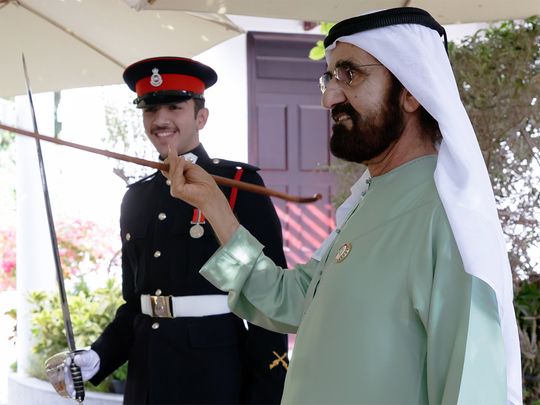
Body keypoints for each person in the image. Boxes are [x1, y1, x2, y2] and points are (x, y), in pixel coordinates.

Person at [162, 7, 523, 405]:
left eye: (350, 74)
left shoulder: (448, 218)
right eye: (329, 77)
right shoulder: (369, 203)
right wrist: (215, 206)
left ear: (412, 91)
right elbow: (291, 301)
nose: (329, 97)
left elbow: (472, 390)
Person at [61, 57, 288, 404]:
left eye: (174, 107)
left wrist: (267, 390)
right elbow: (136, 303)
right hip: (147, 378)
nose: (160, 119)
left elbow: (269, 295)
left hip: (214, 376)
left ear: (201, 116)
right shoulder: (135, 198)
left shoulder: (238, 186)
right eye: (150, 109)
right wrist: (100, 355)